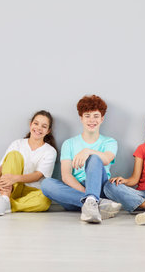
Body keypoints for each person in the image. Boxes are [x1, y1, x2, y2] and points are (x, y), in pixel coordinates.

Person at [41, 95, 121, 224]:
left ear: (102, 119)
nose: (91, 120)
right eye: (87, 116)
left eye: (96, 116)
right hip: (75, 192)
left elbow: (106, 159)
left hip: (99, 188)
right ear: (81, 118)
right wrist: (89, 196)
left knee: (94, 158)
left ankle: (92, 201)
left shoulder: (109, 142)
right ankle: (96, 203)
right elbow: (66, 176)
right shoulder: (69, 143)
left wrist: (88, 151)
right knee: (46, 184)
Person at [0, 110, 57, 216]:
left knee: (44, 202)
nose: (39, 128)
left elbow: (37, 175)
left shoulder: (50, 151)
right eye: (36, 123)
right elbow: (1, 168)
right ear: (30, 124)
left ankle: (2, 203)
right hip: (12, 188)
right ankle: (4, 198)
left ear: (48, 131)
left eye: (44, 126)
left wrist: (15, 178)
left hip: (33, 191)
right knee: (14, 155)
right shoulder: (17, 144)